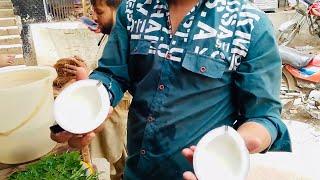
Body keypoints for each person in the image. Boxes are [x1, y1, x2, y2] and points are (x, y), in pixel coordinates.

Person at [53, 0, 292, 179]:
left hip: (201, 173)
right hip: (137, 170)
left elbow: (263, 116)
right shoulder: (133, 10)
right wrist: (87, 104)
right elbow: (112, 73)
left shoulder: (248, 24)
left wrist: (237, 146)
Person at [50, 0, 132, 179]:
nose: (94, 18)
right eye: (92, 12)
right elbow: (108, 73)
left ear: (120, 11)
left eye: (99, 12)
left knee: (115, 161)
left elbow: (117, 82)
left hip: (114, 119)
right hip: (100, 119)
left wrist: (87, 81)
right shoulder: (110, 36)